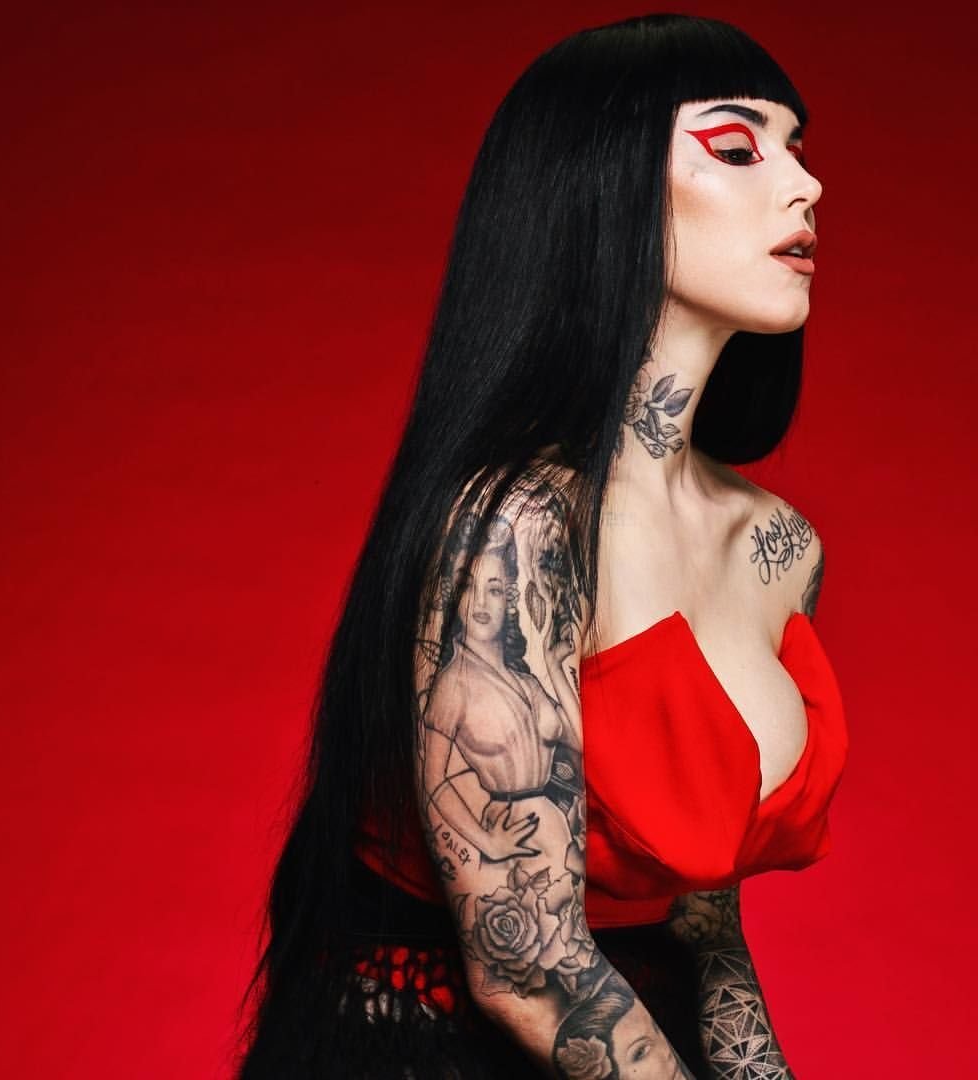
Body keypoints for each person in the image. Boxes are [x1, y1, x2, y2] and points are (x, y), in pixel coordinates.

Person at [236, 13, 848, 1079]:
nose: (806, 186)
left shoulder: (778, 548)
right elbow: (529, 966)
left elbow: (706, 928)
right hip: (425, 1053)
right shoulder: (519, 524)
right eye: (738, 147)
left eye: (799, 149)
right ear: (602, 187)